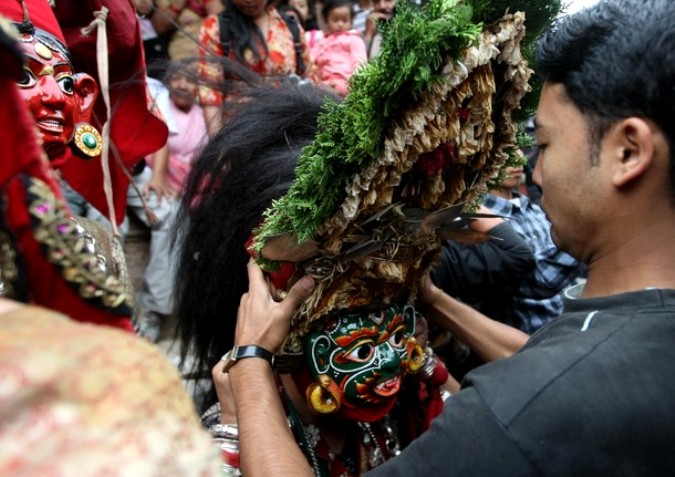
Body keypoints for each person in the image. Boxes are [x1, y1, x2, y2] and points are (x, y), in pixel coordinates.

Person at [223, 0, 675, 474]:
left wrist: (251, 364)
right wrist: (432, 300)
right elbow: (551, 360)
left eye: (543, 144)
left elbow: (546, 383)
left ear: (628, 151)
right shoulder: (612, 353)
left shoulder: (515, 416)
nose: (536, 171)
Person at [130, 59, 208, 342]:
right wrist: (160, 175)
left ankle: (157, 307)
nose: (183, 85)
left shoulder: (202, 115)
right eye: (178, 78)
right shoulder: (158, 98)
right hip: (145, 174)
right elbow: (159, 141)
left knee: (183, 222)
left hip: (191, 188)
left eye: (191, 80)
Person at [482, 162, 586, 333]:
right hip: (536, 337)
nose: (518, 159)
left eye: (519, 148)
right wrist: (588, 233)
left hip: (574, 326)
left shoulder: (537, 210)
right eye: (505, 151)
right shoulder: (483, 224)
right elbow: (538, 279)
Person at [197, 0, 312, 136]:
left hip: (286, 128)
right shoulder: (216, 27)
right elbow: (210, 92)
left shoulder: (289, 25)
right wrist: (217, 144)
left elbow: (306, 76)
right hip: (240, 131)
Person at [309, 0, 366, 96]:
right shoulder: (322, 41)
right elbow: (311, 56)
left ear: (351, 21)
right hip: (323, 81)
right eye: (335, 20)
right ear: (327, 22)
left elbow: (359, 61)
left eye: (344, 20)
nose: (340, 24)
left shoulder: (354, 39)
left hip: (345, 80)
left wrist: (356, 80)